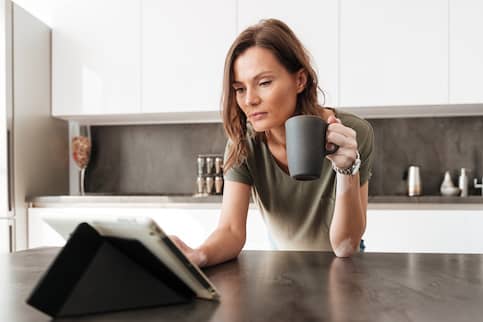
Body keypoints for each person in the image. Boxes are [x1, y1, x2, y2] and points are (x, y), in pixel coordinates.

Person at [171, 18, 374, 266]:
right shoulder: (243, 142)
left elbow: (345, 246)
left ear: (300, 80)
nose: (249, 100)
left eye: (264, 83)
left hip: (344, 268)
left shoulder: (352, 133)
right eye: (239, 89)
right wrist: (198, 255)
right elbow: (232, 231)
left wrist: (347, 170)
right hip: (283, 262)